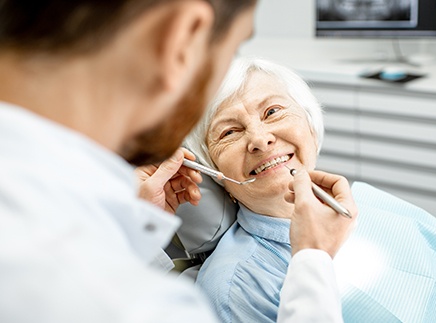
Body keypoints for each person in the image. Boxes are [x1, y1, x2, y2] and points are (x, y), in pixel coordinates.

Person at [0, 1, 357, 322]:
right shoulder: (143, 304)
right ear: (183, 38)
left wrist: (133, 226)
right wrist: (312, 260)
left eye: (274, 111)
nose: (260, 138)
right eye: (234, 47)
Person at [184, 57, 436, 323]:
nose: (259, 139)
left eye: (273, 112)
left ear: (311, 126)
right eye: (228, 132)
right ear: (215, 174)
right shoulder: (234, 287)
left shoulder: (372, 206)